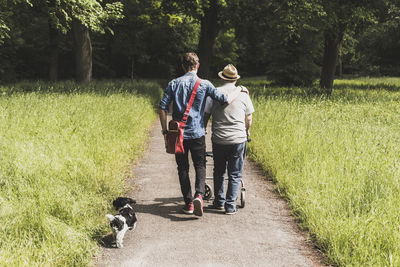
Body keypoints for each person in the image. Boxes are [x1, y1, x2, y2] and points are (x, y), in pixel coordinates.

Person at [159, 53, 242, 217]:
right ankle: (199, 194)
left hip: (178, 135)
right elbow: (224, 99)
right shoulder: (205, 84)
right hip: (197, 133)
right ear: (197, 66)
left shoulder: (174, 83)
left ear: (183, 66)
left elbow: (162, 107)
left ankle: (189, 204)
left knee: (182, 168)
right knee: (200, 165)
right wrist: (239, 89)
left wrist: (165, 132)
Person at [204, 64, 254, 215]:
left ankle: (219, 202)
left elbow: (206, 114)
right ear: (235, 79)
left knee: (219, 170)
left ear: (222, 78)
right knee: (235, 173)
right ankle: (230, 206)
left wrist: (204, 128)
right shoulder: (243, 94)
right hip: (238, 139)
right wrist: (247, 130)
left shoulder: (214, 93)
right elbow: (249, 117)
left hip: (219, 138)